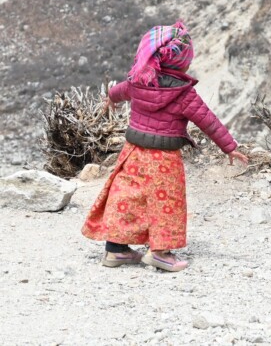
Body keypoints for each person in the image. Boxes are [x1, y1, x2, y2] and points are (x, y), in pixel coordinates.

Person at [82, 21, 248, 272]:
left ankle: (115, 249)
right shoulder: (183, 94)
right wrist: (229, 147)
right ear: (182, 62)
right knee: (166, 202)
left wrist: (111, 98)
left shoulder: (138, 82)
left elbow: (120, 90)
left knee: (125, 196)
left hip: (133, 151)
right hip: (164, 159)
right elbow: (208, 120)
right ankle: (160, 252)